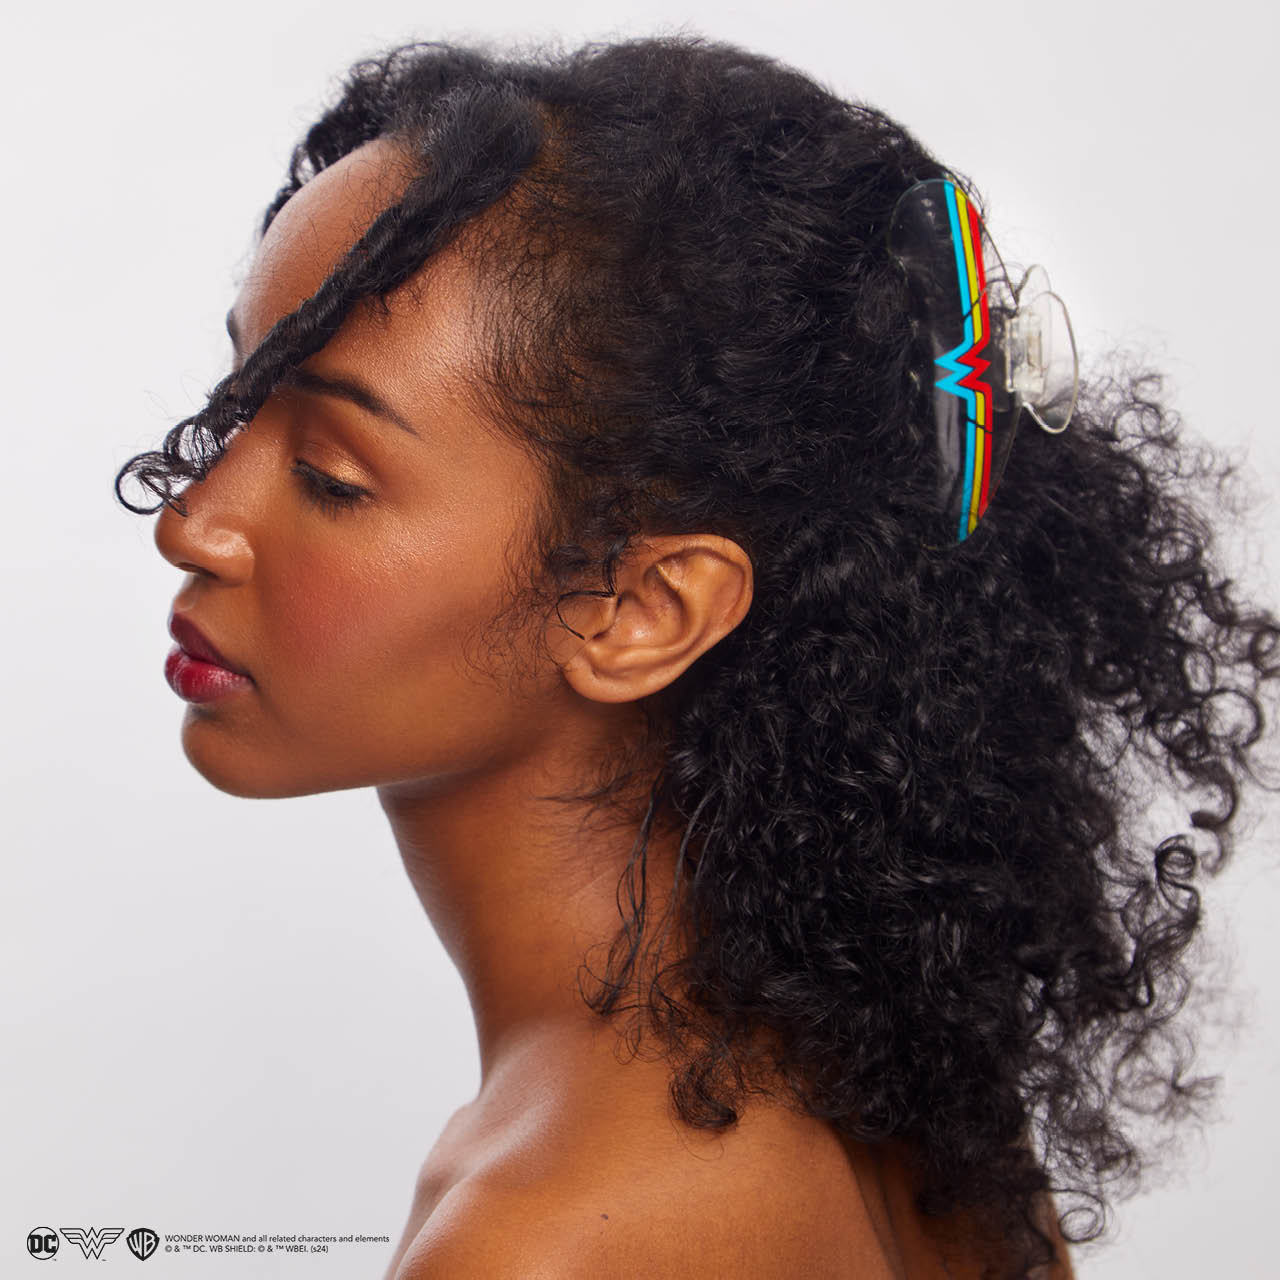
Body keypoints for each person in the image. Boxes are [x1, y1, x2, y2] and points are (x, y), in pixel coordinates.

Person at [115, 32, 1280, 1280]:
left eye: (329, 475)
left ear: (644, 608)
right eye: (241, 395)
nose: (191, 519)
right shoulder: (906, 1120)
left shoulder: (538, 1246)